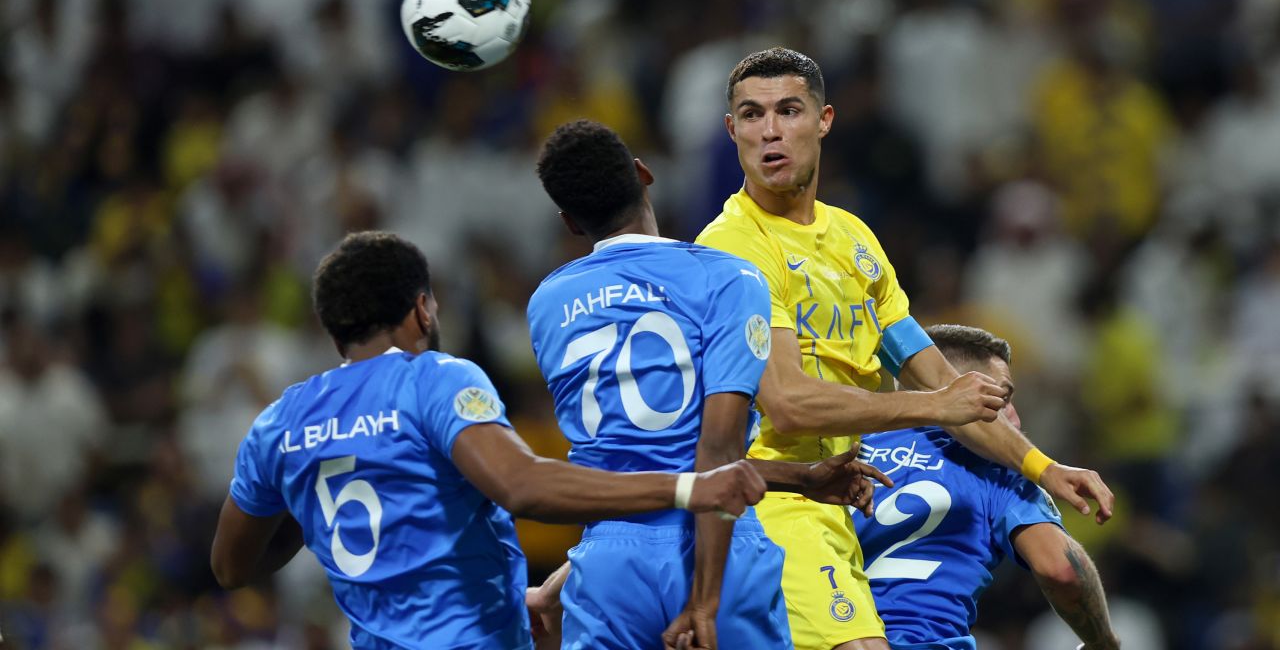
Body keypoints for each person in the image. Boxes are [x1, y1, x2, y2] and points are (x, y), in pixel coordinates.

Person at [695, 47, 1115, 650]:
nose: (770, 131)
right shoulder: (734, 247)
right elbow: (787, 404)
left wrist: (1046, 469)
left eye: (788, 110)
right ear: (731, 130)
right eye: (751, 115)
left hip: (836, 502)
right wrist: (934, 406)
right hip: (771, 502)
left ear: (824, 120)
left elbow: (947, 384)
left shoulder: (853, 240)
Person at [209, 231, 771, 650]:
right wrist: (687, 489)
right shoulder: (432, 379)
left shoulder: (281, 422)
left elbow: (232, 567)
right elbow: (522, 487)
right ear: (422, 308)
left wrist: (315, 519)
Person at [524, 120, 889, 650]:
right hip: (715, 549)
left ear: (569, 222)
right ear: (642, 174)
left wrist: (802, 478)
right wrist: (704, 599)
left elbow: (646, 457)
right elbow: (714, 448)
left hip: (606, 565)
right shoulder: (729, 277)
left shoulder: (547, 304)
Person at [854, 324, 1120, 650]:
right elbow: (1061, 571)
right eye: (1002, 398)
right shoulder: (997, 470)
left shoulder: (842, 454)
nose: (1015, 421)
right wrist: (1103, 641)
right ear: (959, 388)